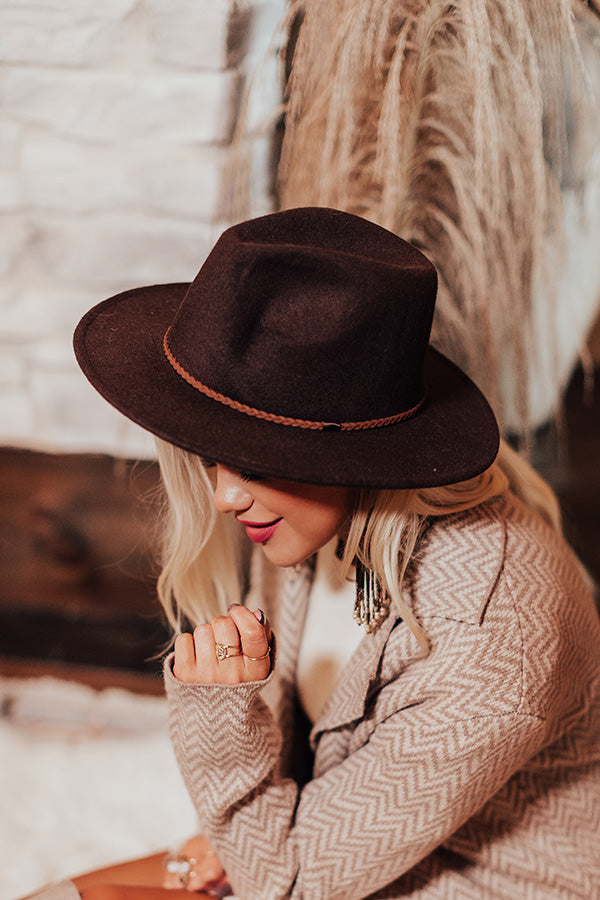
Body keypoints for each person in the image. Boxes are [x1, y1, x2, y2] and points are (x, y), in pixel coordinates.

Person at [29, 208, 600, 899]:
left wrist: (223, 736)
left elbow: (293, 884)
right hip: (315, 849)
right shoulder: (321, 516)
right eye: (212, 451)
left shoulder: (493, 638)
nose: (225, 496)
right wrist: (237, 833)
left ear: (356, 449)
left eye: (257, 459)